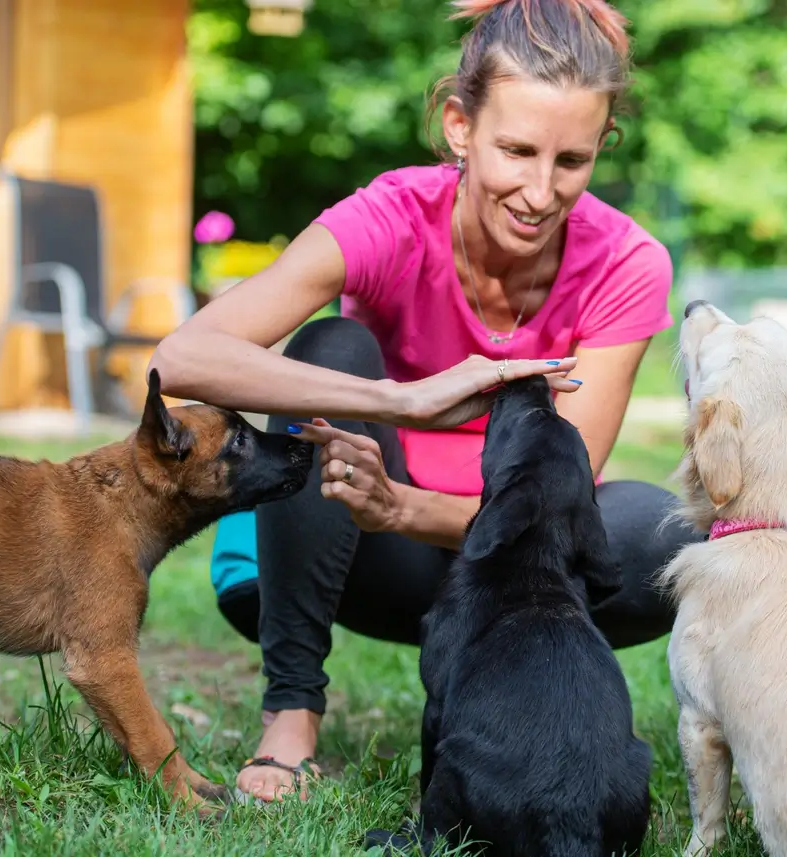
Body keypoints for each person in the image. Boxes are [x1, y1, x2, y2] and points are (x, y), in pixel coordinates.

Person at [149, 0, 704, 805]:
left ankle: (505, 694)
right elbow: (183, 357)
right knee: (331, 349)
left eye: (572, 161)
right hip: (343, 563)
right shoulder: (389, 218)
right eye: (515, 150)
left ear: (601, 149)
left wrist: (402, 505)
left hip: (495, 573)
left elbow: (562, 498)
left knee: (666, 533)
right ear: (459, 127)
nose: (541, 191)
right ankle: (291, 710)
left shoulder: (626, 261)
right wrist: (399, 401)